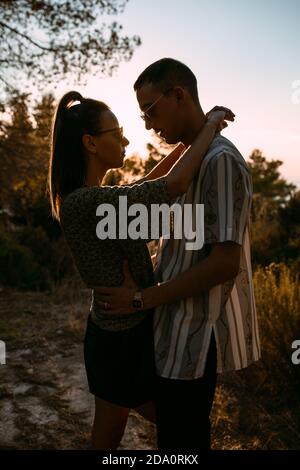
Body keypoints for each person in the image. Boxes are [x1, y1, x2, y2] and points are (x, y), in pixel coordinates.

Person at [48, 90, 233, 450]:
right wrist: (209, 127)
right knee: (182, 424)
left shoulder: (91, 197)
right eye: (116, 133)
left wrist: (188, 142)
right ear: (90, 143)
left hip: (118, 334)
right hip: (119, 343)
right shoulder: (85, 202)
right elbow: (172, 186)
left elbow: (144, 187)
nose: (127, 139)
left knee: (111, 429)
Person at [95, 58, 261, 451]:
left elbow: (224, 263)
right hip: (170, 332)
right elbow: (140, 201)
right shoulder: (193, 159)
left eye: (151, 111)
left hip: (195, 338)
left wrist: (139, 299)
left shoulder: (220, 161)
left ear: (179, 94)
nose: (148, 124)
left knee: (184, 447)